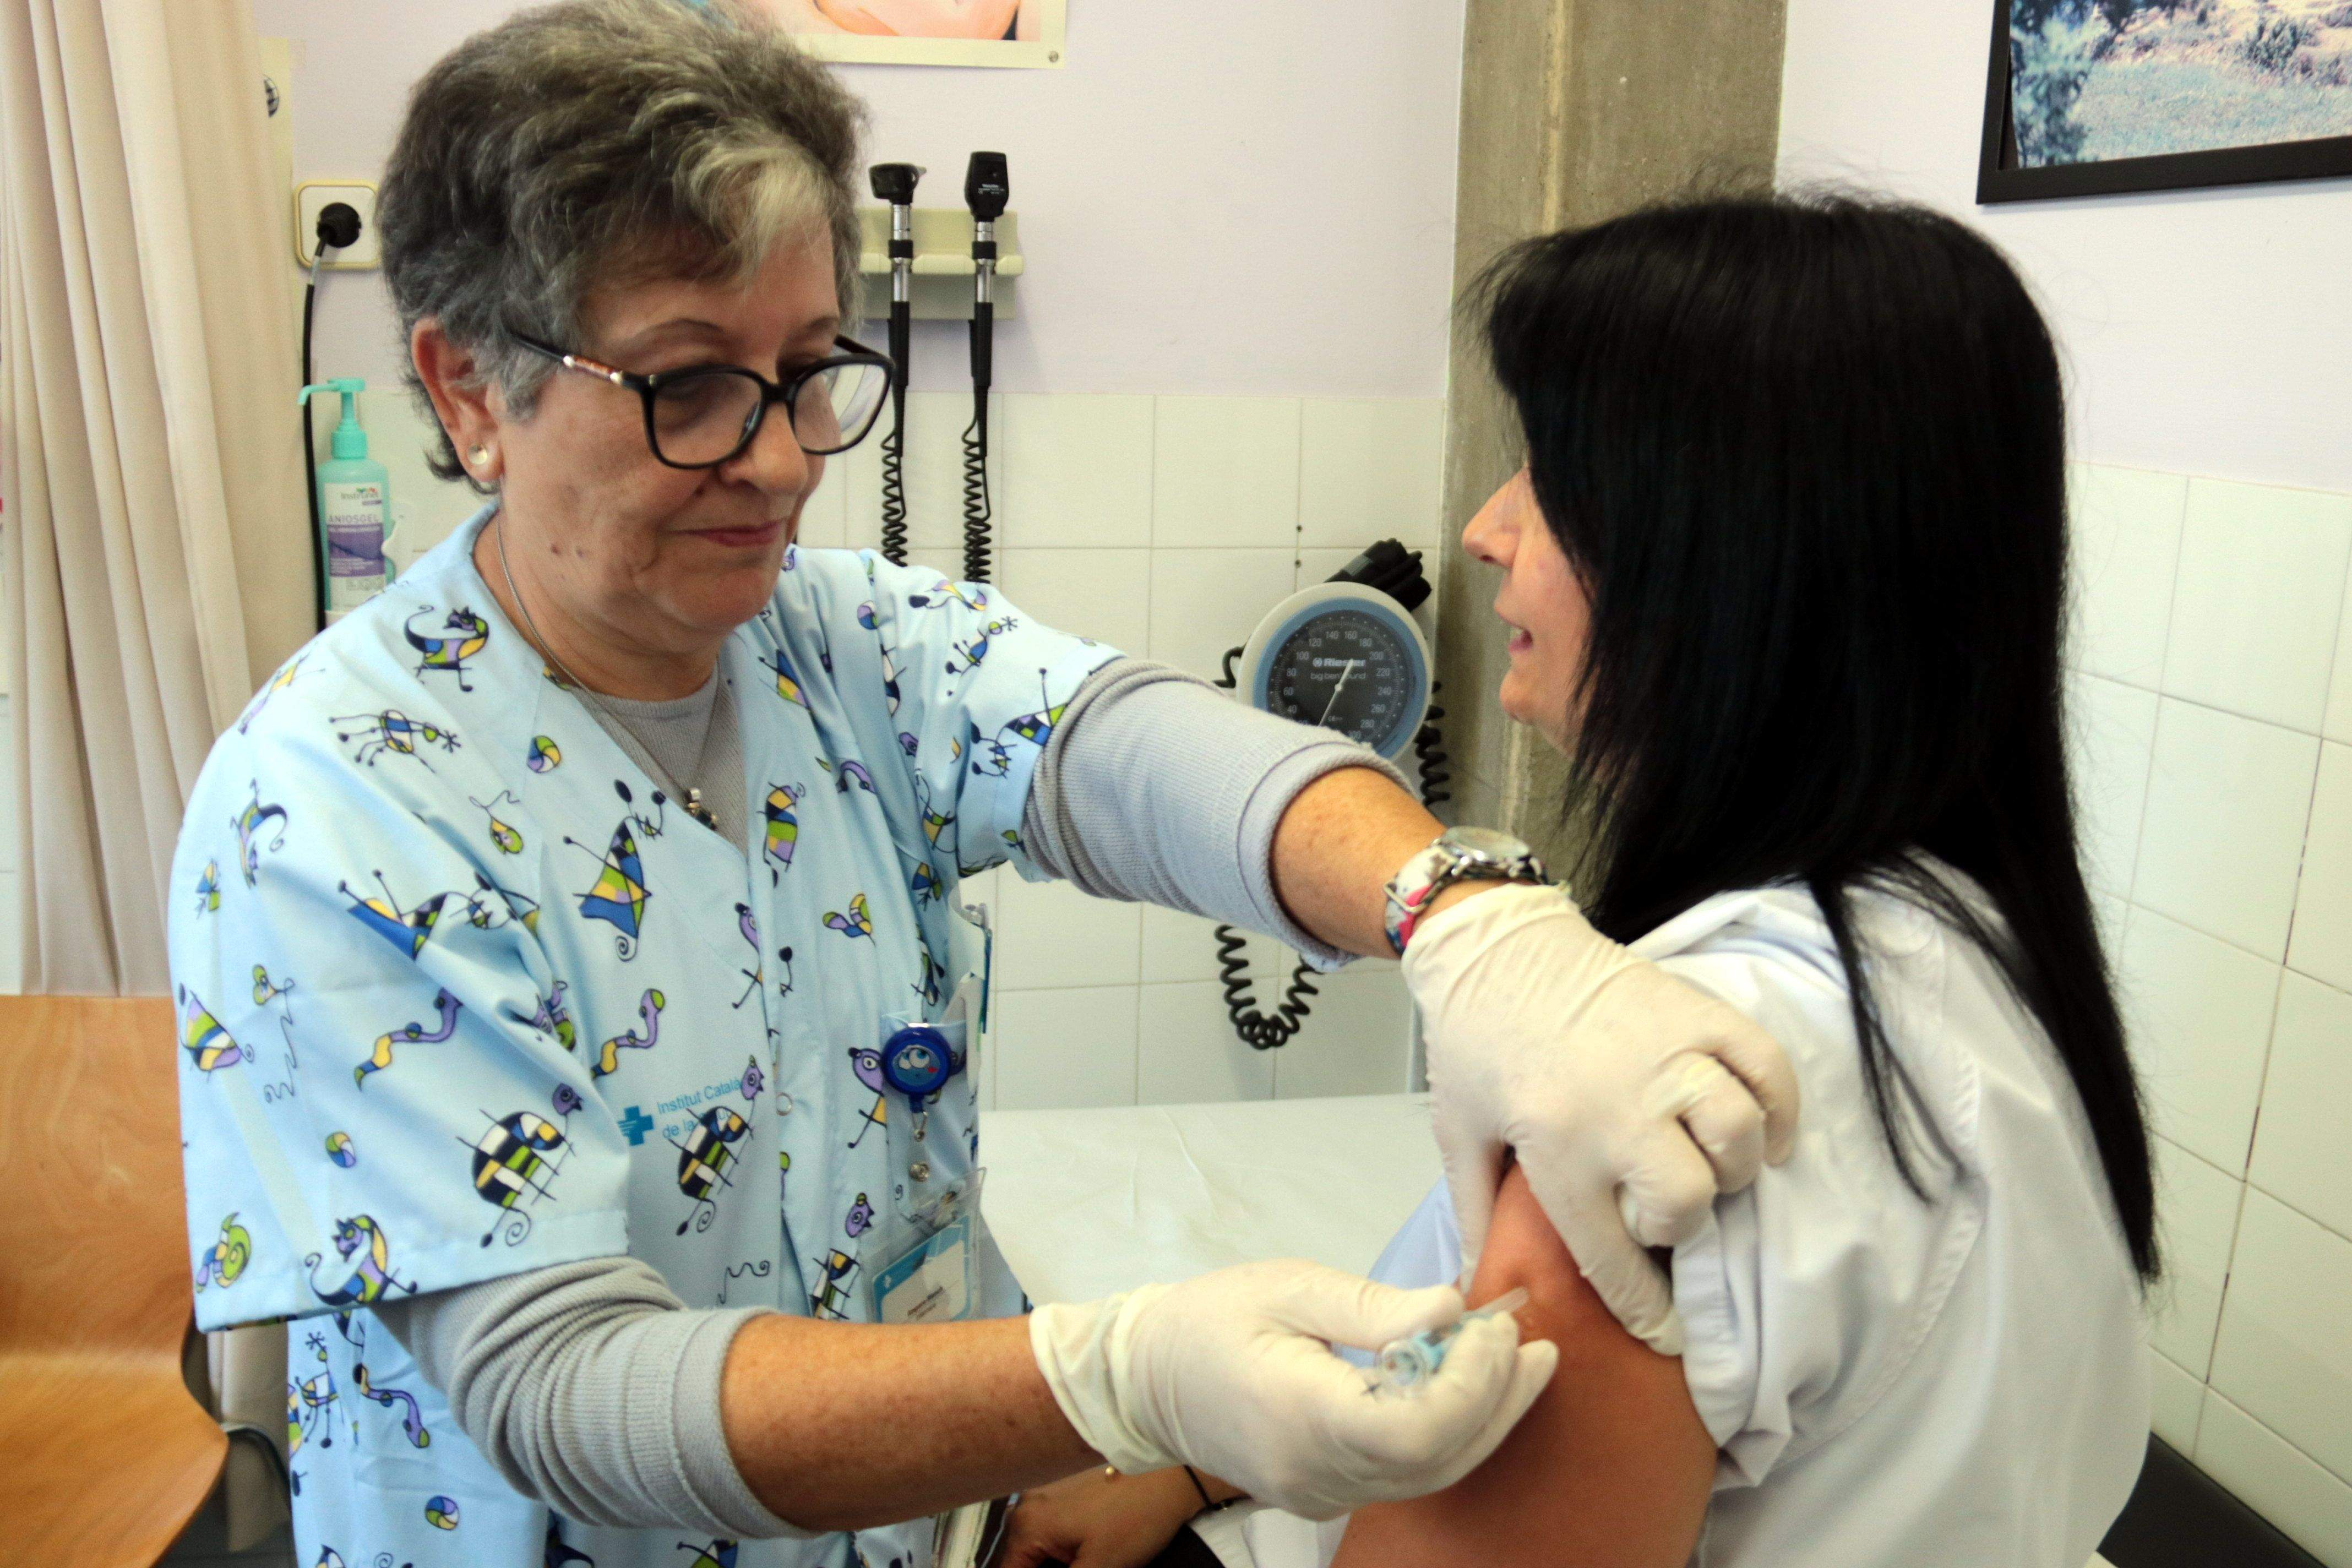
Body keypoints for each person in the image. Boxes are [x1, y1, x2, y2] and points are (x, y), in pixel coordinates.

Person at [167, 8, 1803, 1568]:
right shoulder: (331, 807)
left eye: (809, 366)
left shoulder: (842, 643)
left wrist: (1454, 917)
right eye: (688, 385)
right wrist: (1112, 1379)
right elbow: (560, 1388)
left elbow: (1124, 750)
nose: (786, 457)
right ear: (470, 393)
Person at [1000, 192, 2158, 1568]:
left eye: (1547, 471)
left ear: (1726, 548)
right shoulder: (1977, 943)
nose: (1487, 529)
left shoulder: (1651, 1114)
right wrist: (1197, 1461)